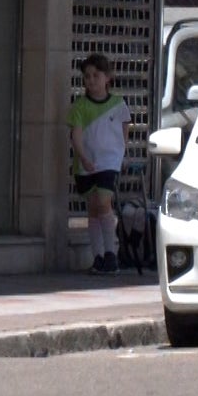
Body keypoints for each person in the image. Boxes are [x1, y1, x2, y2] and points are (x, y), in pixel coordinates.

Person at [68, 54, 130, 275]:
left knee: (104, 203)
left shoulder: (119, 105)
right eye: (87, 76)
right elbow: (76, 135)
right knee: (93, 208)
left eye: (96, 75)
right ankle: (98, 256)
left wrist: (120, 156)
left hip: (109, 163)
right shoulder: (79, 106)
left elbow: (124, 131)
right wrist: (83, 158)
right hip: (86, 165)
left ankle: (111, 254)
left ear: (107, 78)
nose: (91, 80)